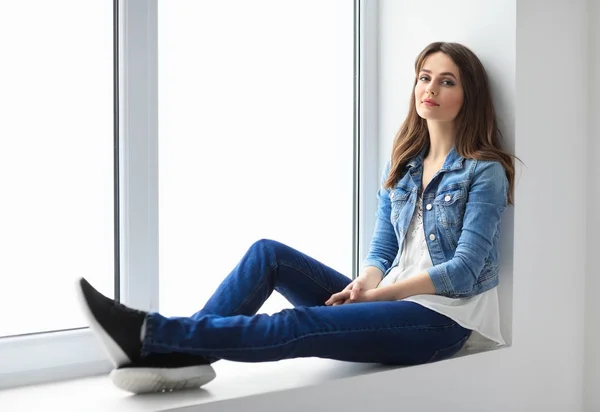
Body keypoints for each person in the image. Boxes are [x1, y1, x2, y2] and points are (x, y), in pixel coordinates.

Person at [76, 41, 517, 394]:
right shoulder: (404, 162)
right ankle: (185, 357)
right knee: (269, 254)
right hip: (392, 301)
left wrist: (382, 297)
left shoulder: (485, 169)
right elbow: (384, 247)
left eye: (446, 82)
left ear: (468, 95)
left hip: (442, 322)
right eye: (425, 77)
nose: (431, 90)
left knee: (300, 324)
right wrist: (366, 281)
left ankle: (152, 336)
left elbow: (463, 271)